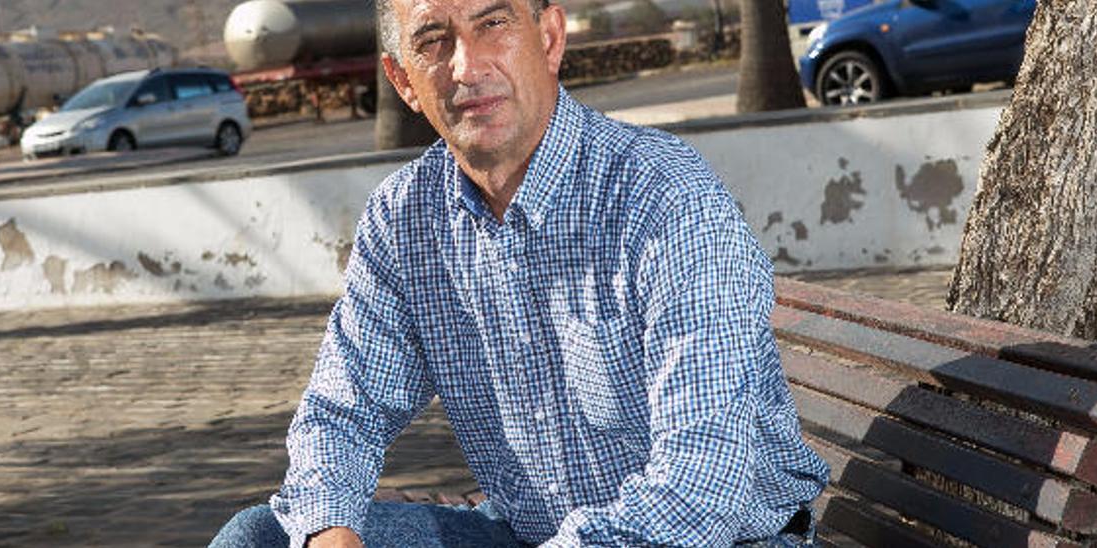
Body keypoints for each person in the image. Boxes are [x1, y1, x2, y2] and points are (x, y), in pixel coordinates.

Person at [209, 0, 829, 546]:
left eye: (493, 24)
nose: (466, 66)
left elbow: (703, 487)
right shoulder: (406, 219)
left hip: (717, 538)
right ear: (402, 80)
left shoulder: (663, 200)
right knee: (260, 538)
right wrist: (327, 531)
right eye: (432, 41)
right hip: (526, 530)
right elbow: (341, 412)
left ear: (551, 39)